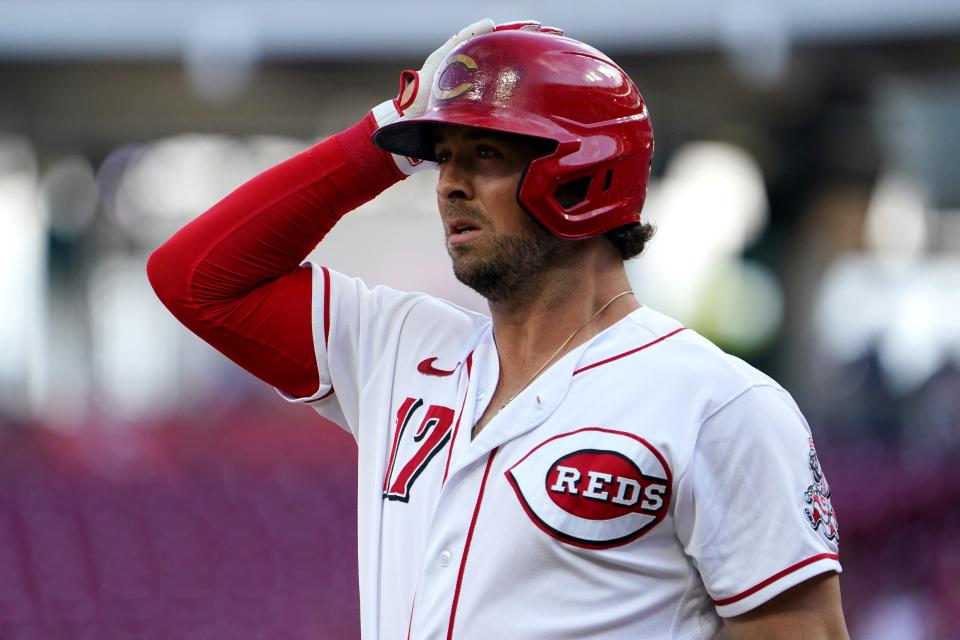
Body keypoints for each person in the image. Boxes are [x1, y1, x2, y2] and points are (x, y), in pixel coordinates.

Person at [148, 19, 849, 640]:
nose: (447, 183)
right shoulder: (399, 349)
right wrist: (382, 137)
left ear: (582, 174)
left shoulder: (721, 405)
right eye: (441, 155)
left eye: (485, 154)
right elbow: (196, 280)